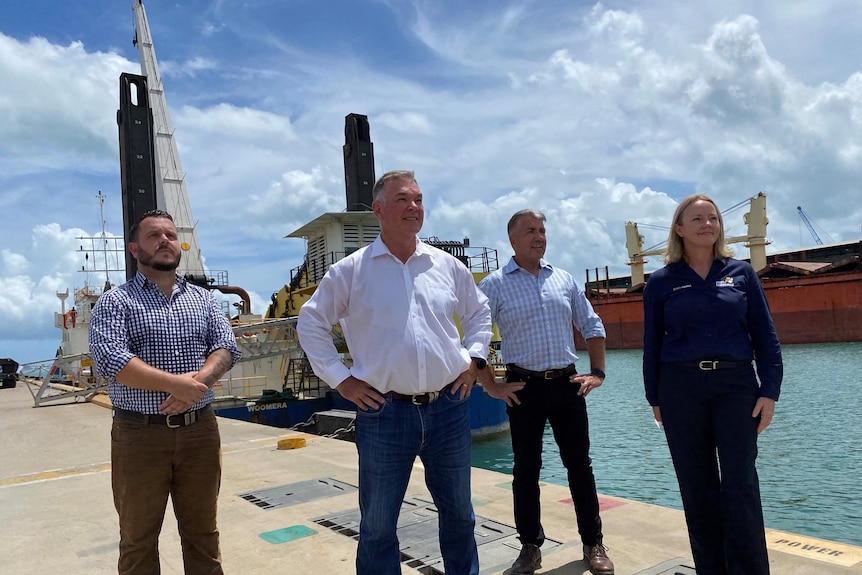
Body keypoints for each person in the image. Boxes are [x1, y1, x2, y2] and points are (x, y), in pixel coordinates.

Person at [296, 170, 492, 575]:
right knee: (378, 526)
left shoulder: (446, 266)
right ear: (379, 210)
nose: (414, 207)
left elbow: (478, 313)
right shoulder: (351, 271)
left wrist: (473, 362)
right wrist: (343, 380)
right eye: (403, 199)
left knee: (460, 516)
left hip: (449, 407)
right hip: (385, 413)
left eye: (419, 199)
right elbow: (311, 323)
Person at [89, 210, 240, 575]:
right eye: (154, 235)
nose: (165, 241)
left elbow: (226, 347)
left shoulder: (204, 300)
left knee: (203, 534)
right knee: (138, 538)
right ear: (134, 248)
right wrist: (176, 385)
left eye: (170, 235)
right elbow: (111, 359)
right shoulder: (116, 302)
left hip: (199, 432)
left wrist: (198, 383)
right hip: (139, 436)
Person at [642, 194, 783, 575]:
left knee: (740, 484)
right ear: (679, 229)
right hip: (680, 388)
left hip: (736, 386)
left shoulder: (742, 273)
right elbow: (652, 343)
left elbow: (765, 336)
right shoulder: (660, 282)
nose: (707, 224)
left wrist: (769, 390)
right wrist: (654, 397)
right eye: (697, 219)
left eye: (713, 218)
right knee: (697, 487)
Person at [476, 209, 615, 575]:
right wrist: (490, 385)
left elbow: (591, 325)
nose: (539, 237)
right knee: (525, 471)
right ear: (512, 240)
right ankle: (529, 547)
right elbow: (474, 340)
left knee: (579, 467)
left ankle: (593, 542)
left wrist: (597, 372)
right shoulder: (494, 284)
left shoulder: (564, 280)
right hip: (524, 388)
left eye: (542, 230)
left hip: (567, 385)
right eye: (530, 231)